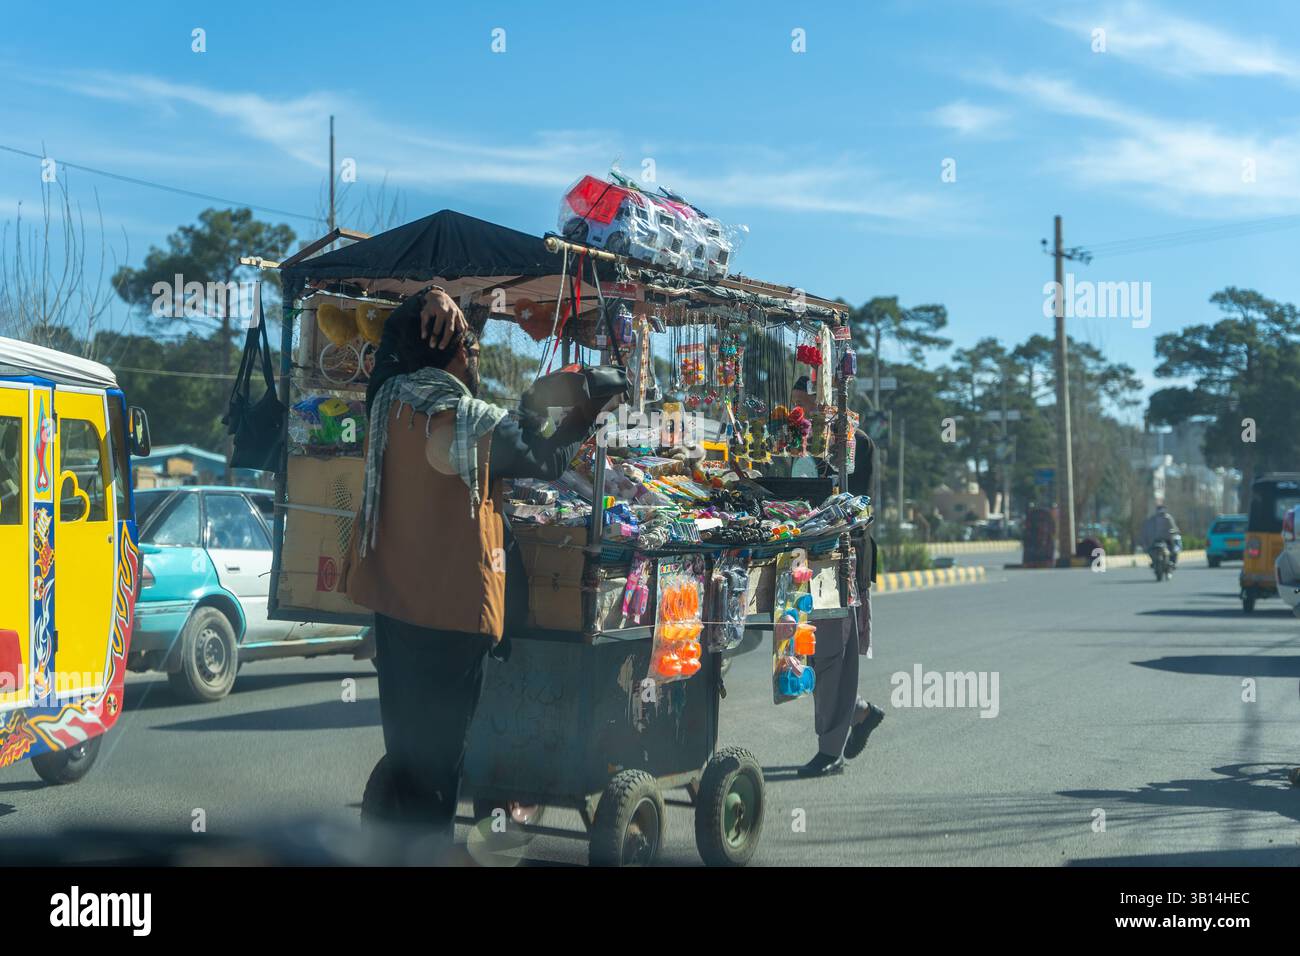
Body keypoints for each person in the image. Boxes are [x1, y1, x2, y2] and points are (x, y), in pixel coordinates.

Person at [341, 288, 608, 848]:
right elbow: (550, 460)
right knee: (439, 772)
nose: (478, 354)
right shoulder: (477, 424)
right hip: (453, 621)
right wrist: (585, 411)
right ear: (449, 352)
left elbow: (392, 346)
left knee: (411, 756)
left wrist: (427, 299)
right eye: (471, 345)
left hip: (394, 609)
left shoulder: (388, 401)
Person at [788, 377, 886, 778]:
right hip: (798, 557)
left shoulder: (856, 444)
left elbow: (857, 508)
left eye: (806, 403)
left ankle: (830, 749)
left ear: (825, 401)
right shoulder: (793, 441)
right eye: (796, 403)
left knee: (831, 654)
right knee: (806, 651)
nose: (800, 411)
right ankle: (858, 711)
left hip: (840, 560)